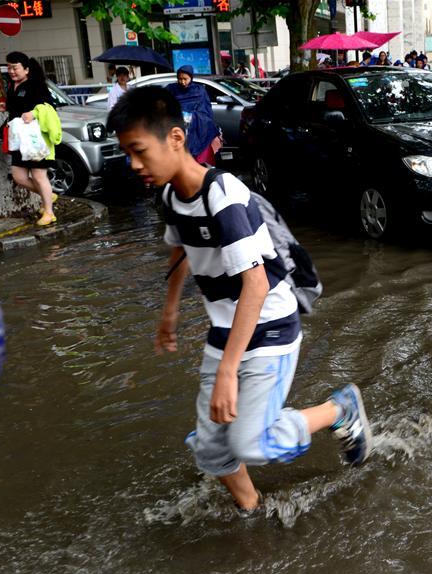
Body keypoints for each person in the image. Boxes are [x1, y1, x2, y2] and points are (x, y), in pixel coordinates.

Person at [107, 86, 374, 515]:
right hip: (226, 329)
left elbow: (256, 286)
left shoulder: (223, 195)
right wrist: (169, 313)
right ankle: (252, 511)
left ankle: (338, 409)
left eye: (139, 151)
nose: (134, 165)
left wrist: (228, 371)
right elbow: (180, 248)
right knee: (211, 449)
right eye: (128, 154)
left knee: (252, 441)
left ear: (175, 138)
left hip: (269, 327)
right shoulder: (173, 197)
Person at [0, 52, 57, 226]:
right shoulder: (12, 85)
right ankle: (48, 195)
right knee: (19, 176)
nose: (11, 71)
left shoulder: (35, 85)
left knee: (39, 176)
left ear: (26, 69)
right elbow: (17, 106)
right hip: (18, 138)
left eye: (15, 67)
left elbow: (49, 107)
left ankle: (49, 212)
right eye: (9, 67)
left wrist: (34, 113)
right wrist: (6, 106)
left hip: (35, 138)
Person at [165, 65, 220, 166]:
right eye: (180, 79)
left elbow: (206, 111)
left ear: (191, 77)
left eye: (185, 79)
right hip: (177, 129)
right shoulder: (171, 89)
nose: (182, 82)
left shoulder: (199, 91)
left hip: (196, 129)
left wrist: (191, 117)